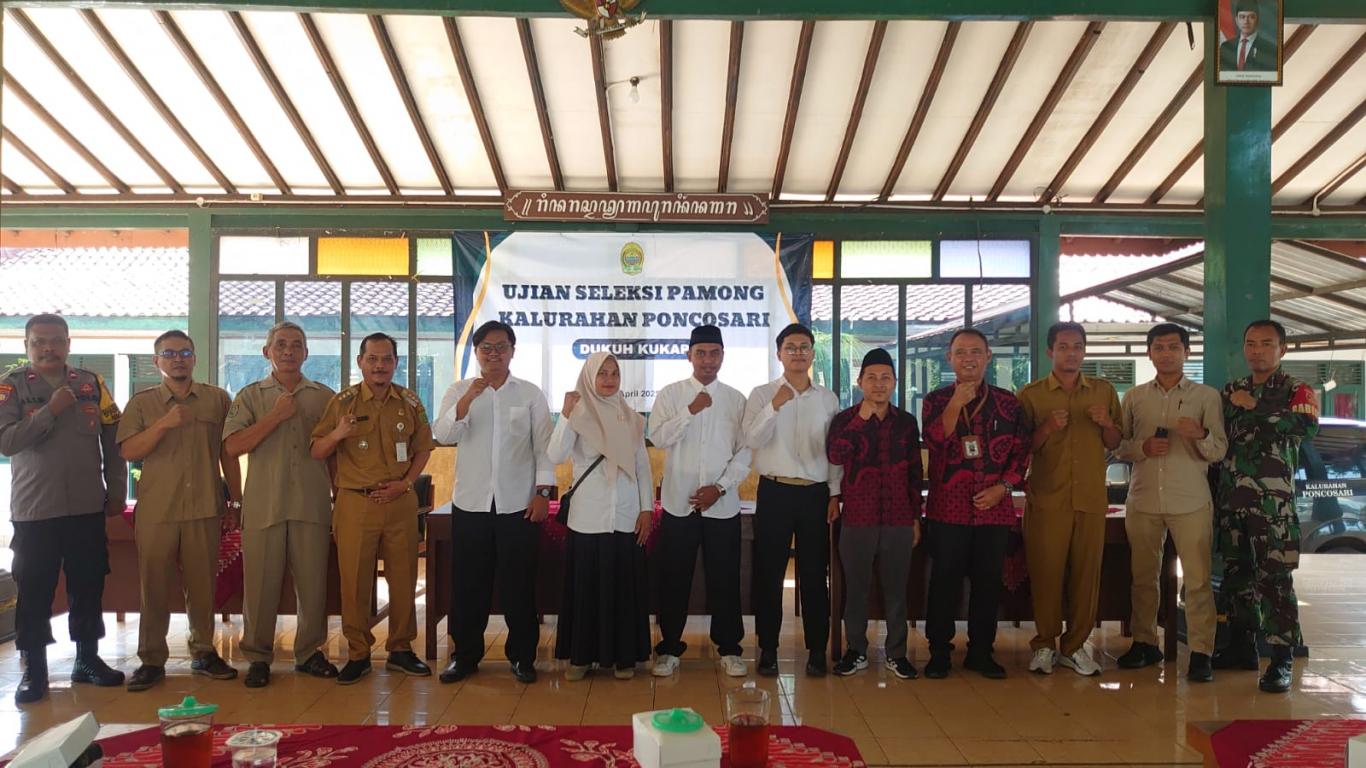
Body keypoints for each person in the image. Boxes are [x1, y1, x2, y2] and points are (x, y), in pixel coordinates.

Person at [0, 314, 127, 704]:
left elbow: (113, 440)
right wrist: (50, 410)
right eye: (39, 341)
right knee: (34, 588)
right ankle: (34, 669)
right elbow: (6, 442)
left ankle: (87, 659)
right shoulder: (11, 386)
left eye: (56, 340)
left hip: (86, 505)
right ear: (26, 346)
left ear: (69, 344)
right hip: (35, 509)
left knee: (88, 583)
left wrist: (117, 491)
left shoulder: (91, 383)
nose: (48, 348)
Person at [118, 330, 241, 691]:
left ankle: (203, 652)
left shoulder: (217, 399)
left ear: (194, 358)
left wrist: (235, 501)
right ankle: (151, 659)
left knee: (202, 586)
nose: (178, 360)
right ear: (156, 361)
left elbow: (228, 454)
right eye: (169, 354)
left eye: (185, 353)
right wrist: (164, 423)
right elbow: (129, 451)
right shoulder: (142, 403)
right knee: (153, 586)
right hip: (158, 510)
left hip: (205, 507)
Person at [432, 321, 554, 685]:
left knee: (519, 584)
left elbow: (543, 448)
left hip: (518, 505)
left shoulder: (530, 394)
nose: (494, 354)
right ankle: (465, 656)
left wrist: (543, 494)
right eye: (486, 348)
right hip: (472, 505)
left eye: (501, 347)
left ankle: (523, 657)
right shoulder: (459, 390)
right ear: (477, 352)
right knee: (468, 585)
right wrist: (468, 399)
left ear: (512, 351)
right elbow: (443, 434)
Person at [310, 333, 434, 685]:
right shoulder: (342, 403)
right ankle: (358, 653)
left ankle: (401, 649)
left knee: (404, 577)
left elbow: (423, 448)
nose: (380, 366)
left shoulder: (409, 402)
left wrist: (406, 483)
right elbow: (317, 451)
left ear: (396, 362)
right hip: (355, 502)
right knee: (354, 581)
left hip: (399, 500)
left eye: (387, 359)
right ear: (360, 362)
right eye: (373, 359)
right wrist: (338, 434)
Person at [222, 321, 339, 688]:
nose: (289, 351)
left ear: (306, 353)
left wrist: (340, 498)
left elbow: (336, 454)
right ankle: (258, 656)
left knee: (313, 584)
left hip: (311, 504)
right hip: (264, 505)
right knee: (260, 587)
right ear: (267, 352)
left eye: (296, 345)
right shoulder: (250, 396)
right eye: (281, 345)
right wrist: (274, 416)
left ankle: (309, 653)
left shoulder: (324, 397)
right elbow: (233, 446)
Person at [1115, 324, 1227, 683]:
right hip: (1144, 498)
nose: (1166, 353)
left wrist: (1201, 435)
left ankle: (1201, 652)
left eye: (1173, 347)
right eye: (1159, 347)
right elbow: (1118, 446)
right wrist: (1143, 448)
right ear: (1149, 353)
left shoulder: (1206, 396)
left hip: (1190, 500)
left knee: (1197, 580)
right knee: (1142, 577)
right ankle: (1145, 643)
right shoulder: (1134, 397)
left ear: (1186, 353)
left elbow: (1219, 450)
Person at [1214, 320, 1319, 694]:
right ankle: (1241, 647)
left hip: (1273, 507)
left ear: (1282, 349)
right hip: (1233, 502)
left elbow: (1304, 428)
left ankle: (1280, 659)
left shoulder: (1296, 390)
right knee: (1236, 578)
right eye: (1251, 343)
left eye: (1266, 343)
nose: (1257, 350)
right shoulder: (1232, 390)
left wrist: (1256, 406)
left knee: (1274, 582)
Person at [920, 329, 1031, 680]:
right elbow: (934, 441)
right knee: (944, 581)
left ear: (988, 357)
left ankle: (981, 651)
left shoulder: (1008, 402)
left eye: (975, 352)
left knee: (987, 583)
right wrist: (956, 403)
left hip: (994, 509)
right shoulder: (935, 400)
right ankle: (939, 652)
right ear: (949, 358)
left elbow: (1021, 453)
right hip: (947, 508)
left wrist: (1003, 488)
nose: (968, 358)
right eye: (961, 352)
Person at [1016, 322, 1121, 677]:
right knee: (1045, 574)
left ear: (1084, 351)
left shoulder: (1104, 391)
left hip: (1090, 498)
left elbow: (1115, 442)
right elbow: (1020, 449)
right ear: (1050, 351)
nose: (1071, 353)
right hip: (1048, 500)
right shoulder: (1031, 395)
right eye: (1063, 346)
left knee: (1086, 576)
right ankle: (1045, 644)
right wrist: (1046, 427)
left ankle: (1075, 647)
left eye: (1077, 346)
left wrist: (1107, 423)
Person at [648, 325, 752, 679]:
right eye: (701, 353)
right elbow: (658, 438)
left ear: (723, 356)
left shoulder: (736, 400)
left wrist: (719, 488)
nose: (708, 360)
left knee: (725, 578)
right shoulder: (671, 394)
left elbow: (745, 452)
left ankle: (730, 649)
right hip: (679, 504)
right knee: (674, 577)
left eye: (714, 353)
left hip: (721, 505)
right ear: (688, 356)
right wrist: (690, 411)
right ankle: (669, 648)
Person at [743, 322, 842, 678]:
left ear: (812, 354)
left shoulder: (827, 398)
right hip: (775, 491)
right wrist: (773, 407)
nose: (798, 353)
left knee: (815, 574)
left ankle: (816, 650)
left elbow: (835, 452)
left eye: (804, 347)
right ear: (779, 354)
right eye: (791, 347)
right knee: (769, 573)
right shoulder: (761, 394)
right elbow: (751, 440)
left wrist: (834, 493)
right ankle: (768, 649)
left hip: (815, 493)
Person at [547, 351, 654, 681]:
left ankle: (624, 658)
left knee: (622, 589)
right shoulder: (578, 413)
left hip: (625, 515)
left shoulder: (631, 418)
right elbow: (556, 454)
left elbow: (642, 467)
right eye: (602, 373)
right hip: (588, 516)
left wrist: (646, 509)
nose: (609, 379)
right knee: (587, 589)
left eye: (614, 373)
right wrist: (566, 415)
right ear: (589, 377)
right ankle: (581, 658)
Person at [826, 348, 922, 680]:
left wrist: (915, 519)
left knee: (897, 590)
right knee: (856, 589)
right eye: (872, 377)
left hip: (899, 518)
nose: (879, 384)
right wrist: (861, 421)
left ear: (895, 382)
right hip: (858, 519)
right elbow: (835, 455)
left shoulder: (906, 423)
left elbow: (914, 474)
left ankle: (897, 653)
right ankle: (856, 651)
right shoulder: (845, 420)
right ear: (860, 382)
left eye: (885, 378)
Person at [1219, 0, 1277, 72]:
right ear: (1236, 20)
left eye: (1251, 17)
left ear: (1257, 20)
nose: (1246, 21)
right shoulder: (1225, 47)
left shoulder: (1269, 49)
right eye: (1242, 17)